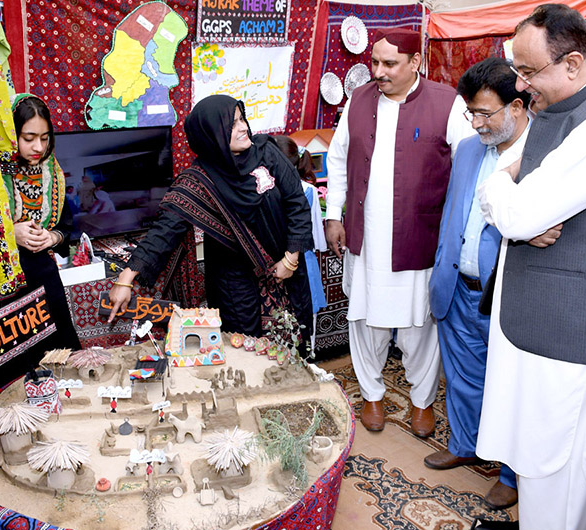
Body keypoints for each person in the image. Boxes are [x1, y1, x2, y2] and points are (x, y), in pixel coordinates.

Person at [475, 4, 586, 529]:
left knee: (560, 485)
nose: (521, 85)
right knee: (540, 478)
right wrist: (507, 193)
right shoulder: (569, 111)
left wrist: (503, 185)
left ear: (573, 64)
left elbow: (517, 212)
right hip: (546, 332)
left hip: (578, 344)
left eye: (528, 71)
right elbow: (507, 205)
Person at [325, 27, 473, 435]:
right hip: (366, 236)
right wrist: (333, 214)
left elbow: (468, 166)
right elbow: (337, 159)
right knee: (364, 319)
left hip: (419, 237)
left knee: (418, 326)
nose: (379, 71)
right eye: (375, 62)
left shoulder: (447, 103)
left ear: (415, 62)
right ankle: (371, 394)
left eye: (389, 63)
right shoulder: (358, 101)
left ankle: (422, 401)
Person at [107, 95, 313, 342]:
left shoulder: (267, 153)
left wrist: (291, 259)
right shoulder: (198, 183)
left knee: (293, 343)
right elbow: (163, 233)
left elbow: (297, 204)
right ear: (212, 135)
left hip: (287, 270)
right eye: (232, 125)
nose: (243, 127)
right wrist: (125, 279)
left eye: (242, 119)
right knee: (244, 347)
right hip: (235, 284)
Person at [425, 57, 530, 510]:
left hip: (506, 296)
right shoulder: (469, 149)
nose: (476, 123)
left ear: (518, 106)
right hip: (457, 286)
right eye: (471, 113)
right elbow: (454, 212)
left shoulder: (542, 156)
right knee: (463, 378)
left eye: (486, 113)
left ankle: (511, 474)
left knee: (510, 389)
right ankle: (465, 444)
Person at [0, 94, 81, 382]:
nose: (38, 147)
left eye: (44, 138)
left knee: (59, 360)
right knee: (14, 370)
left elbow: (67, 228)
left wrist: (51, 238)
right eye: (28, 138)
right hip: (6, 284)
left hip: (45, 280)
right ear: (12, 135)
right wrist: (10, 232)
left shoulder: (52, 173)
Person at [274, 135, 328, 344]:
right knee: (306, 320)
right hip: (304, 256)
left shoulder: (269, 192)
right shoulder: (309, 191)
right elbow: (316, 236)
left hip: (286, 259)